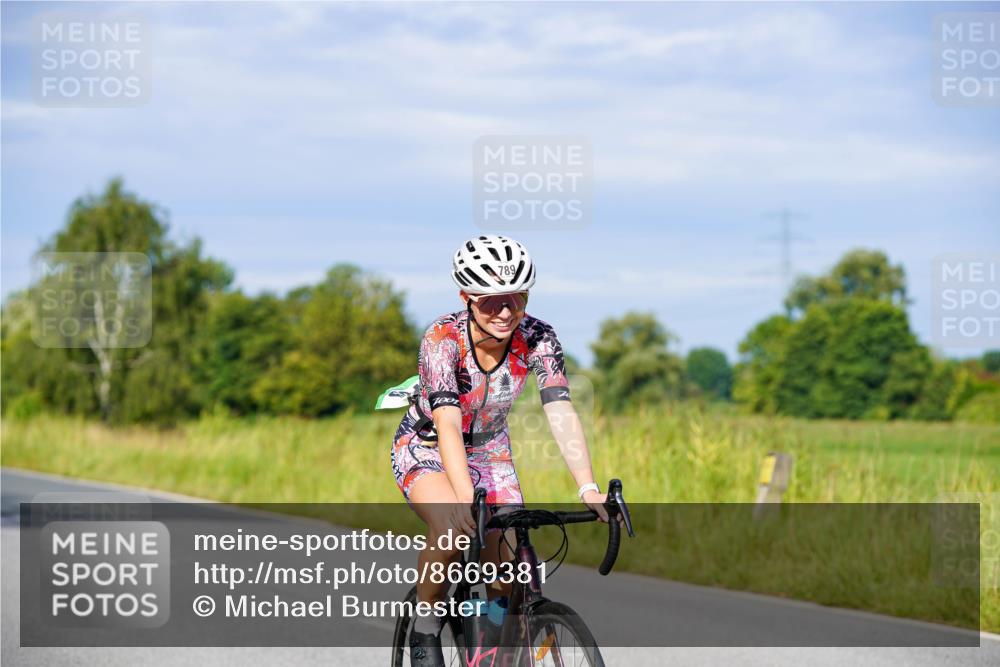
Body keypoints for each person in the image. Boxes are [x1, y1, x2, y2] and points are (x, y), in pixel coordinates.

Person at [389, 235, 609, 666]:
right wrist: (461, 497)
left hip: (490, 450)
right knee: (454, 529)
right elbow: (448, 424)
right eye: (491, 302)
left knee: (507, 575)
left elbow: (560, 408)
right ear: (466, 297)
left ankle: (493, 651)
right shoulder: (442, 338)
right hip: (429, 444)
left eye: (516, 298)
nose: (506, 312)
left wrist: (588, 486)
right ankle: (427, 622)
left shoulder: (539, 336)